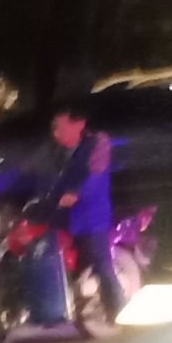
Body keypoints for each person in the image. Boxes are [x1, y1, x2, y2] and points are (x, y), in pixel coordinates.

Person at [46, 104, 128, 327]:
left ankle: (119, 310)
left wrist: (74, 193)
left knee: (102, 265)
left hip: (93, 218)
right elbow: (28, 171)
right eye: (54, 128)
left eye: (60, 127)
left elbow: (94, 176)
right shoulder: (62, 151)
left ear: (78, 124)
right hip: (70, 219)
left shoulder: (97, 144)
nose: (56, 133)